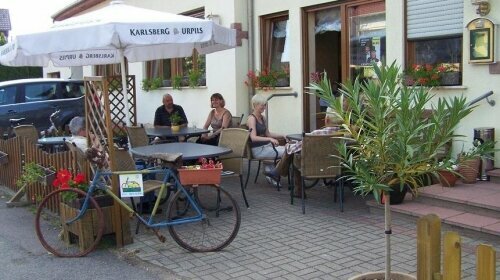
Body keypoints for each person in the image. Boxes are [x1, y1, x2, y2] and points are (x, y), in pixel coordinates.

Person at [246, 93, 285, 160]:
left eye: (265, 105)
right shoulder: (251, 119)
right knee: (287, 152)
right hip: (258, 150)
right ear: (255, 105)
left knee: (289, 149)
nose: (264, 107)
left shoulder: (262, 118)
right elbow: (253, 138)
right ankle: (278, 170)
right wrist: (270, 139)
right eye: (262, 105)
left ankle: (278, 169)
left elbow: (268, 134)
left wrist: (283, 135)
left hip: (267, 146)